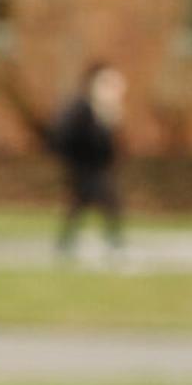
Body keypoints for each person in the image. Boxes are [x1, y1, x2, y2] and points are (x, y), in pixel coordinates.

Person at [45, 61, 127, 261]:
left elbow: (109, 149)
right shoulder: (81, 108)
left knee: (80, 204)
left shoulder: (100, 110)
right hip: (83, 167)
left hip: (94, 167)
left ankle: (66, 243)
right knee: (109, 201)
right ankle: (113, 242)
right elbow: (67, 137)